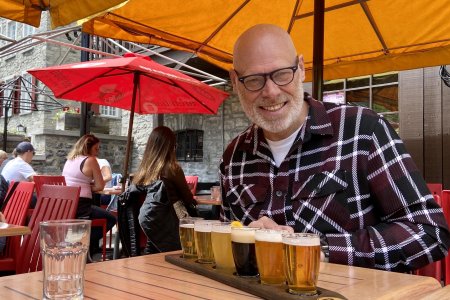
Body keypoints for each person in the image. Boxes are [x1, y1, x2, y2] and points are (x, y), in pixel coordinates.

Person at [220, 24, 450, 272]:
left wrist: (321, 250)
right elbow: (226, 241)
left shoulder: (363, 129)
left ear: (301, 68)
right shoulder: (234, 156)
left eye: (282, 74)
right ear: (235, 81)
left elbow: (428, 231)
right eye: (254, 80)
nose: (271, 91)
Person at [130, 126, 197, 254]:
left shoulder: (143, 172)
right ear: (170, 146)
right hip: (170, 222)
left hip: (147, 222)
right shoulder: (172, 169)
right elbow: (188, 198)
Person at [62, 134, 116, 256]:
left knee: (99, 215)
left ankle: (77, 243)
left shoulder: (70, 159)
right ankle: (78, 243)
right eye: (96, 148)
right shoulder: (90, 160)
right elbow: (100, 186)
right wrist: (88, 186)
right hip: (82, 207)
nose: (97, 152)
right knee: (111, 219)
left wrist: (86, 185)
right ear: (88, 148)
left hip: (67, 204)